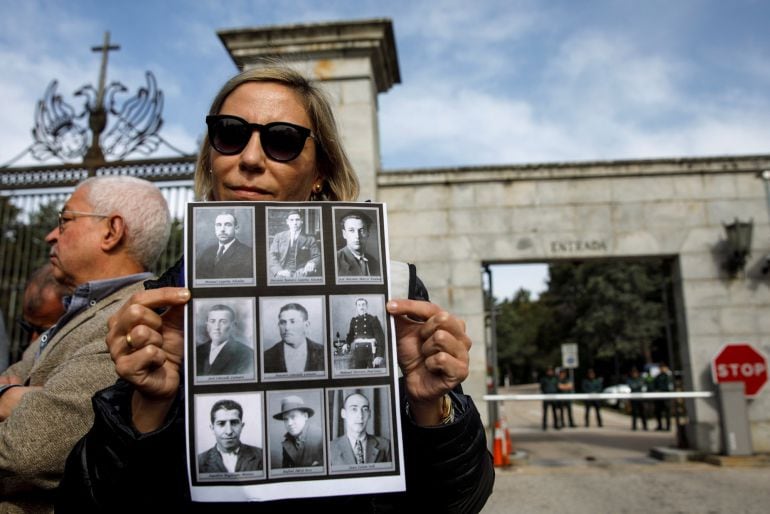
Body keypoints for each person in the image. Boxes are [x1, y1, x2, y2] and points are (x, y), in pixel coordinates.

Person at [57, 66, 494, 512]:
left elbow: (460, 500)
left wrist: (432, 410)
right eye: (229, 134)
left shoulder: (392, 290)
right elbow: (85, 502)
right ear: (211, 155)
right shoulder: (161, 305)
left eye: (281, 140)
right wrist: (147, 408)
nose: (249, 158)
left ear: (320, 170)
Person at [0, 176, 170, 513]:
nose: (51, 234)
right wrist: (14, 396)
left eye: (65, 220)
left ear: (111, 231)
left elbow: (28, 451)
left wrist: (8, 396)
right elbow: (13, 375)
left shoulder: (134, 319)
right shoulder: (82, 312)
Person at [198, 399, 262, 473]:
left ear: (242, 426)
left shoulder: (261, 456)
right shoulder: (199, 461)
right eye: (221, 423)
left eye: (234, 423)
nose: (229, 431)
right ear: (212, 428)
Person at [330, 392, 391, 465]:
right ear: (343, 413)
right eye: (354, 409)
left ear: (369, 414)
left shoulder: (385, 445)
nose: (360, 415)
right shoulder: (330, 448)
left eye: (365, 409)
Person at [263, 302, 324, 373]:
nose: (287, 328)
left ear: (306, 325)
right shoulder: (266, 357)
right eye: (283, 322)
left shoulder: (323, 352)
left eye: (292, 322)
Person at [196, 304, 254, 377]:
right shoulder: (197, 351)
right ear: (207, 325)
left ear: (233, 325)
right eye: (212, 321)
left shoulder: (247, 355)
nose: (216, 327)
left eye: (223, 322)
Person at [196, 210, 254, 279]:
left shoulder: (248, 253)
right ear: (215, 228)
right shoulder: (208, 252)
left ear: (236, 229)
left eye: (228, 225)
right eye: (219, 225)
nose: (222, 229)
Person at [272, 394, 323, 468]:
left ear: (305, 416)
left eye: (293, 417)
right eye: (285, 419)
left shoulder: (320, 436)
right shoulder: (287, 442)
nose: (289, 423)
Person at [268, 209, 321, 279]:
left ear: (302, 221)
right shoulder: (279, 237)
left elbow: (316, 256)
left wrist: (312, 263)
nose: (294, 223)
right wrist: (279, 271)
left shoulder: (310, 239)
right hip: (282, 271)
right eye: (291, 220)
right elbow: (272, 256)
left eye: (297, 220)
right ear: (287, 222)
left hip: (301, 272)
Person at [336, 210, 381, 277]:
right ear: (344, 234)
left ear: (368, 233)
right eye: (351, 230)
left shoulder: (374, 262)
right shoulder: (336, 260)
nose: (357, 236)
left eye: (361, 230)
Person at [345, 297, 386, 369]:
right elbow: (351, 335)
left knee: (373, 374)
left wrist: (379, 355)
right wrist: (347, 343)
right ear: (356, 307)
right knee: (358, 374)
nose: (361, 307)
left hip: (371, 351)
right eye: (359, 305)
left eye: (363, 305)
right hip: (358, 352)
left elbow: (380, 338)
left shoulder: (373, 319)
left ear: (366, 306)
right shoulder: (354, 320)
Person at [626, 367, 648, 431]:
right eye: (633, 373)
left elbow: (640, 385)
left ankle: (645, 426)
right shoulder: (630, 380)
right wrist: (636, 386)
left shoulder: (640, 379)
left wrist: (635, 386)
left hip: (640, 398)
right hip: (633, 398)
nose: (634, 374)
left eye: (635, 373)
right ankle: (634, 426)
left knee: (642, 413)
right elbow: (632, 386)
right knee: (634, 413)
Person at [653, 362, 673, 431]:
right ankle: (660, 426)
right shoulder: (658, 376)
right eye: (661, 368)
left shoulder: (668, 376)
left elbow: (669, 386)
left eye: (664, 367)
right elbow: (654, 385)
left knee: (667, 412)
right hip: (659, 397)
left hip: (666, 397)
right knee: (658, 412)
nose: (662, 369)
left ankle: (668, 427)